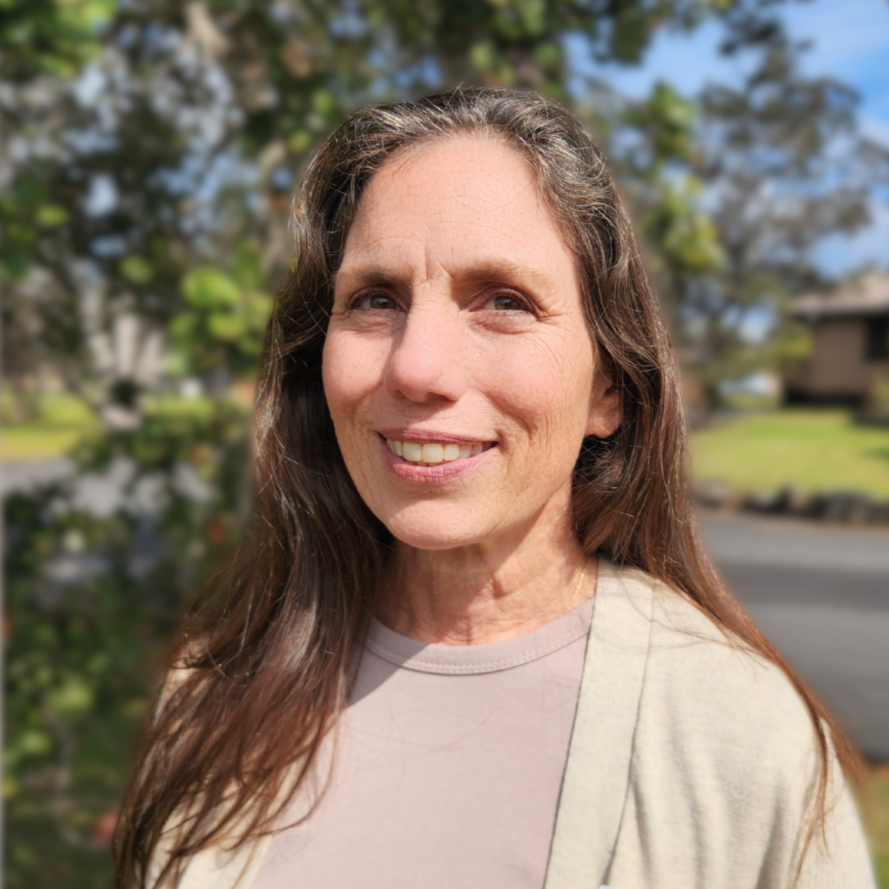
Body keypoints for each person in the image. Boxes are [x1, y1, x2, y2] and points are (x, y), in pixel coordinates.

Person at [115, 89, 875, 889]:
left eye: (503, 302)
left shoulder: (741, 741)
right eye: (375, 299)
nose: (417, 366)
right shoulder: (211, 697)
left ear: (608, 389)